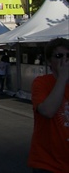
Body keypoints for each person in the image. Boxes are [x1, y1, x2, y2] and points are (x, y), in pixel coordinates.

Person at [28, 38, 69, 173]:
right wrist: (63, 76)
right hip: (47, 163)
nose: (65, 60)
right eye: (59, 56)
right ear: (49, 61)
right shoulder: (41, 83)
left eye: (68, 55)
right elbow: (47, 111)